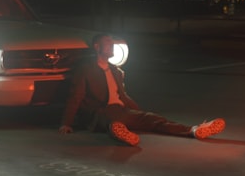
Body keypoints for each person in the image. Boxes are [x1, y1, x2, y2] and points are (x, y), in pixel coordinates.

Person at [58, 34, 226, 146]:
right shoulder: (86, 69)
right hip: (99, 112)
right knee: (110, 122)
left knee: (154, 119)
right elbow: (76, 96)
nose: (112, 47)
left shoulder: (115, 70)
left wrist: (139, 114)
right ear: (97, 46)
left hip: (121, 110)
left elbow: (122, 95)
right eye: (108, 44)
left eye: (112, 44)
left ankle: (193, 130)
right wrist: (66, 123)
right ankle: (120, 132)